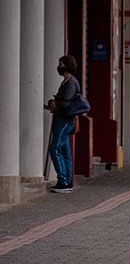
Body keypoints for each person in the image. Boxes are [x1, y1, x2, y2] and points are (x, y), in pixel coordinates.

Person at [45, 55, 84, 193]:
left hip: (65, 120)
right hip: (64, 119)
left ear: (67, 66)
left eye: (61, 64)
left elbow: (66, 103)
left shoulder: (71, 83)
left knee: (55, 148)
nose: (59, 67)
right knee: (65, 151)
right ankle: (68, 181)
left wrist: (55, 104)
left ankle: (63, 182)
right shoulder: (67, 81)